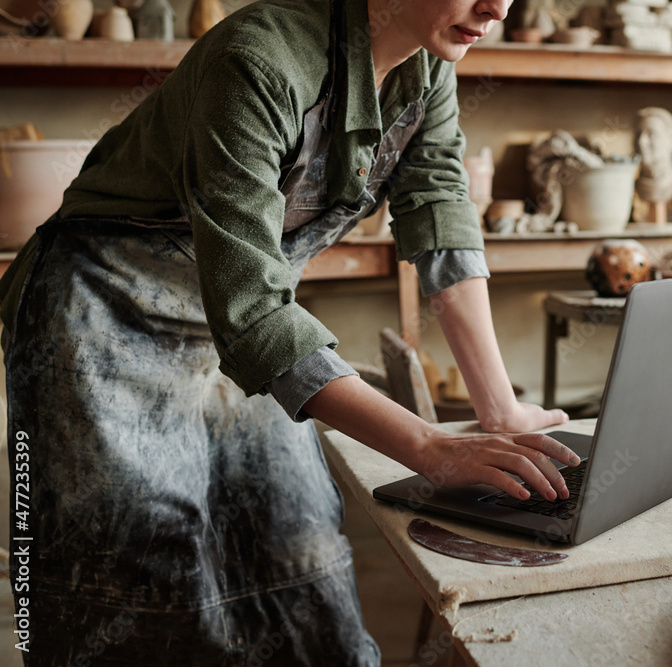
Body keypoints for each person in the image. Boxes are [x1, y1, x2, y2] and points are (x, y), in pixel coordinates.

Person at [0, 0, 577, 663]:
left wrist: (498, 409)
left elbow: (441, 213)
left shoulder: (427, 64)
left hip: (234, 329)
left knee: (296, 535)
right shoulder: (256, 63)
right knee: (144, 559)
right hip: (103, 315)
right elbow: (253, 308)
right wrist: (428, 447)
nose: (498, 6)